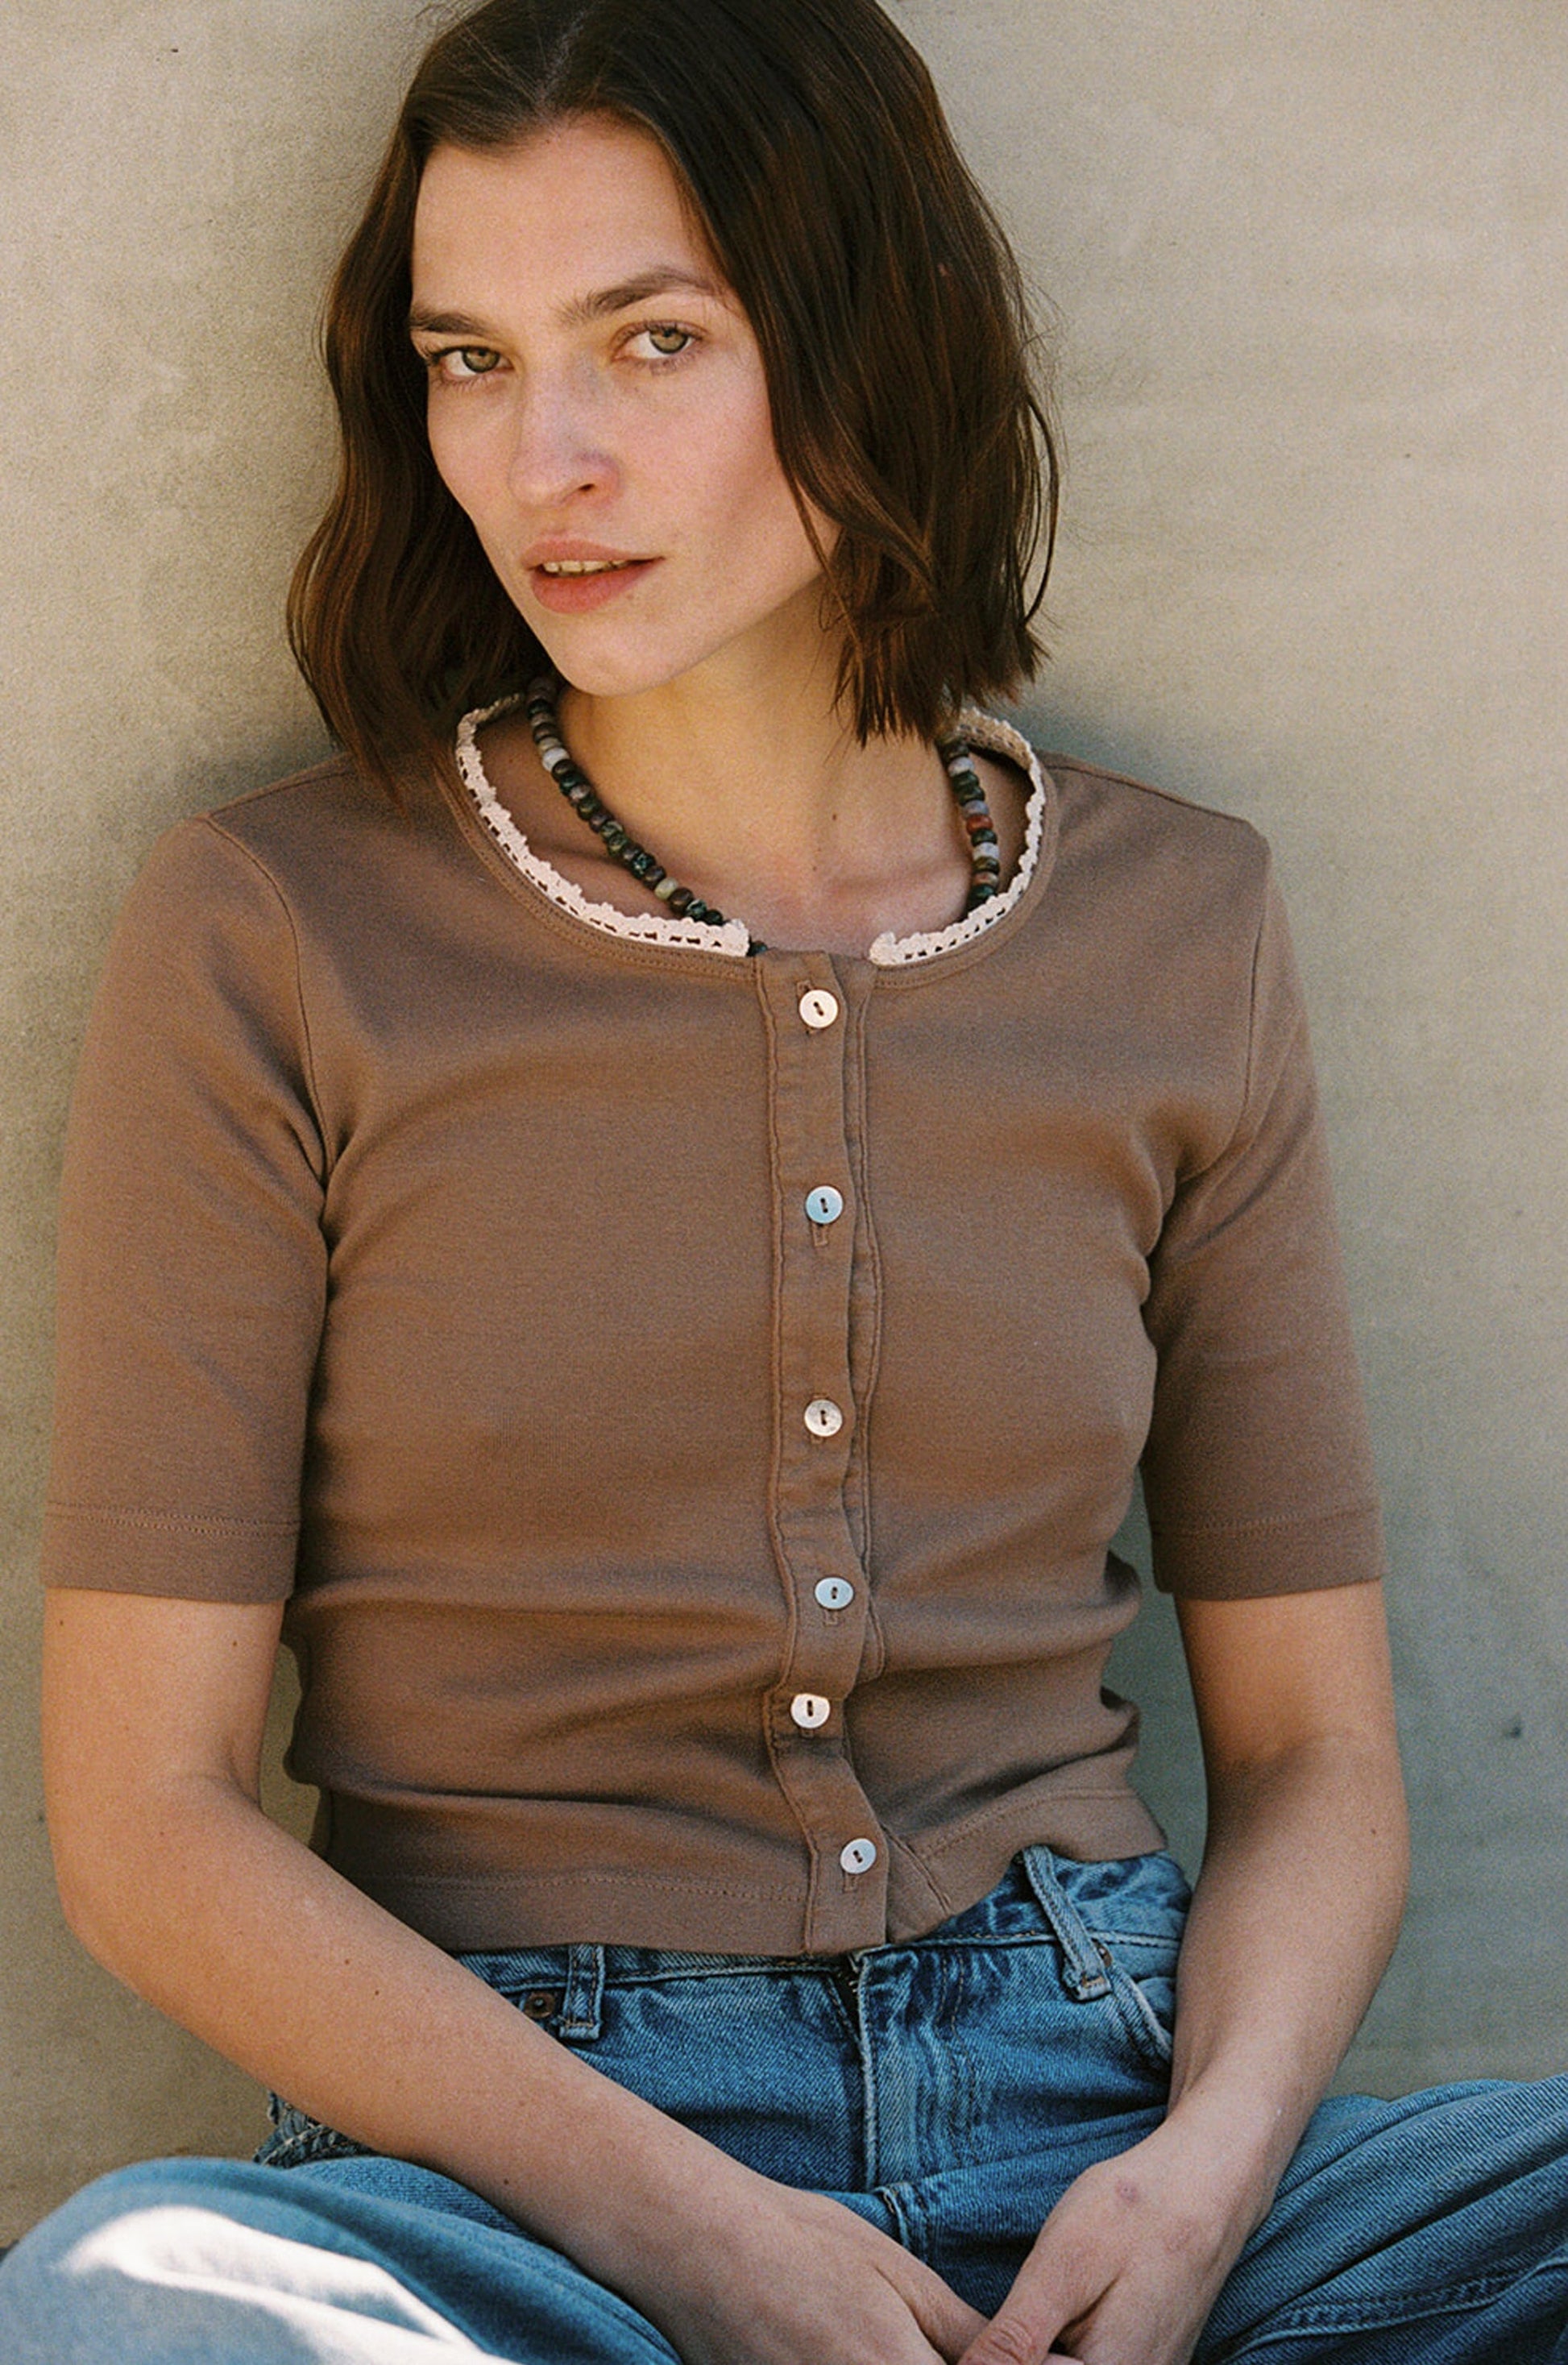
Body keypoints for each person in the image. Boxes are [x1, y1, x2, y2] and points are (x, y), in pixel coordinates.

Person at [3, 0, 1565, 2358]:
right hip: (522, 2186)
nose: (546, 454)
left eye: (649, 339)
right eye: (466, 357)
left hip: (1108, 2116)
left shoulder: (1177, 924)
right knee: (126, 2306)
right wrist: (696, 2241)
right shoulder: (277, 932)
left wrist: (1200, 2189)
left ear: (866, 341)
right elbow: (146, 1821)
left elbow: (1314, 1748)